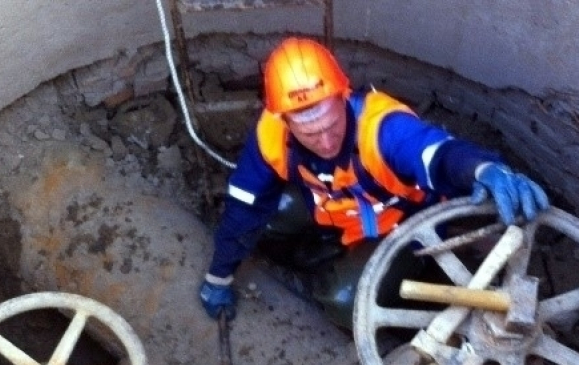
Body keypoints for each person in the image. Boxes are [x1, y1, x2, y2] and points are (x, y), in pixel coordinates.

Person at [199, 37, 549, 328]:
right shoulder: (270, 134)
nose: (324, 142)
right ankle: (322, 256)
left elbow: (436, 154)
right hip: (334, 211)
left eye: (331, 126)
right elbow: (243, 206)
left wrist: (481, 168)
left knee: (343, 300)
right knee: (264, 217)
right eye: (308, 133)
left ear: (343, 95)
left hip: (399, 229)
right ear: (284, 119)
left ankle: (351, 280)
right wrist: (219, 277)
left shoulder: (383, 129)